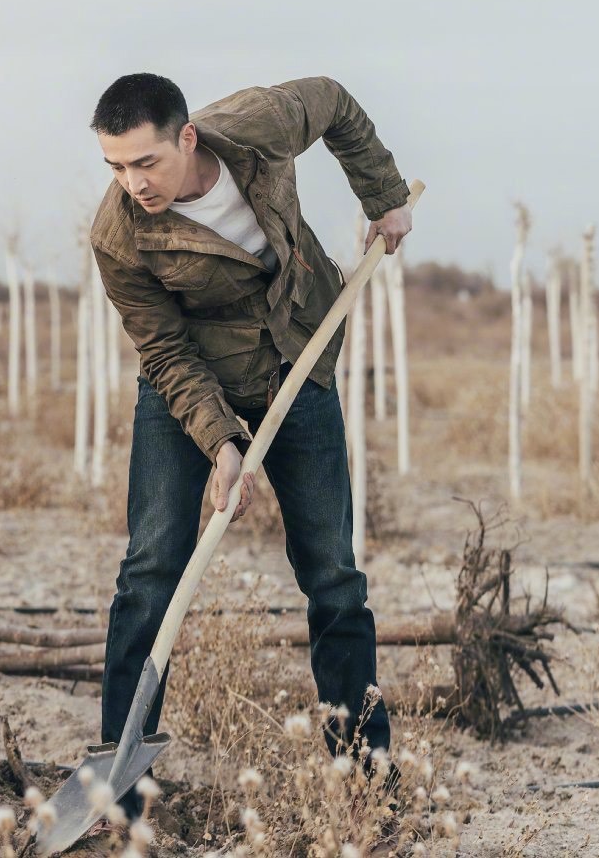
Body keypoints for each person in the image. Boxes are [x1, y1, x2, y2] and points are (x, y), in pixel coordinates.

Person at [87, 72, 413, 824]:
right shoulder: (119, 236)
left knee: (332, 573)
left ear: (187, 137)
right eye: (116, 167)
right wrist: (223, 443)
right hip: (190, 386)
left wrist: (383, 195)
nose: (133, 183)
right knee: (151, 568)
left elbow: (333, 100)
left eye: (146, 163)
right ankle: (120, 789)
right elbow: (164, 352)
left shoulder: (259, 124)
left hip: (299, 359)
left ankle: (364, 776)